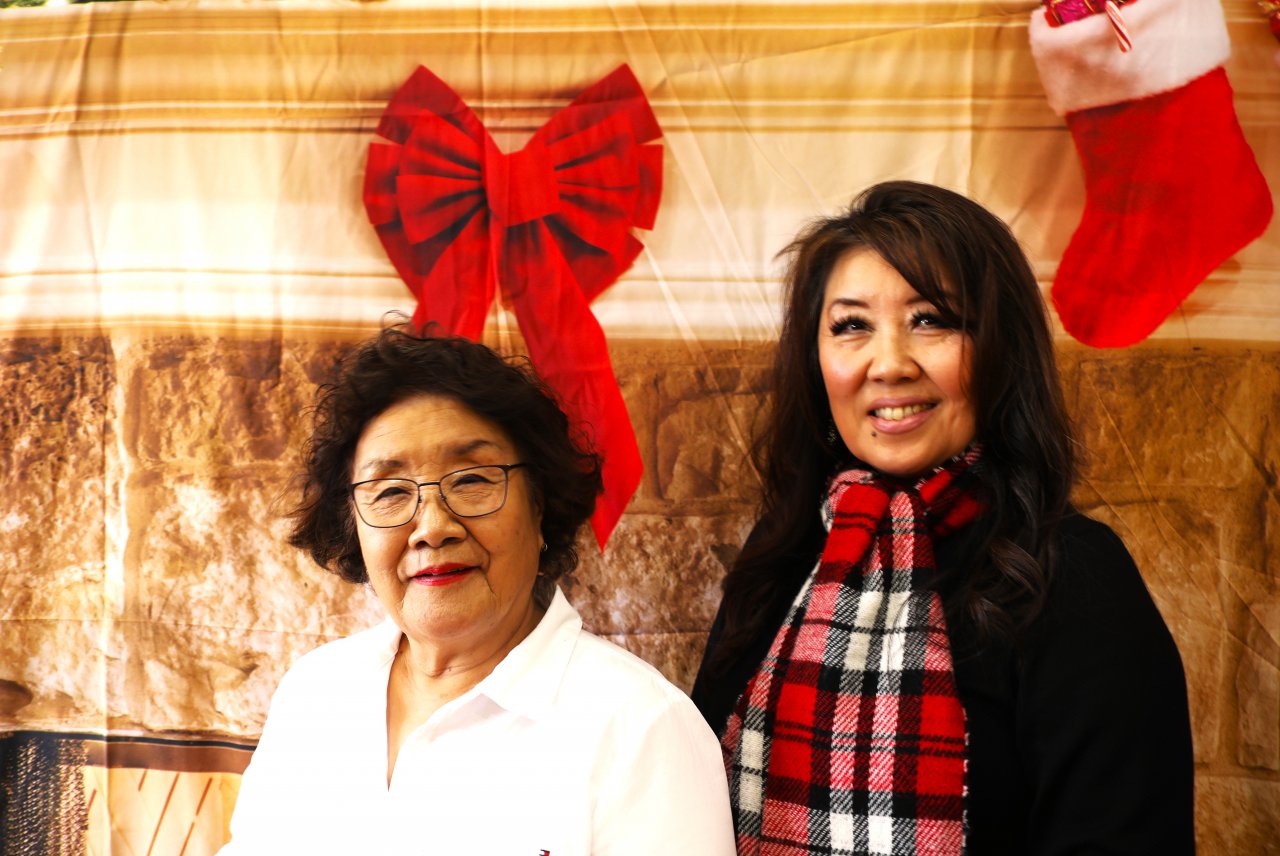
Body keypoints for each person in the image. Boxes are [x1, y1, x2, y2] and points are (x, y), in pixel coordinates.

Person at [691, 181, 1194, 855]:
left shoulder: (1074, 576)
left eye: (931, 320)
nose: (889, 364)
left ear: (1000, 348)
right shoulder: (785, 553)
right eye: (851, 326)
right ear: (815, 362)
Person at [221, 324, 735, 855]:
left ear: (540, 507)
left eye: (471, 480)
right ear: (352, 523)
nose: (432, 527)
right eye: (390, 491)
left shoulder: (641, 728)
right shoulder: (315, 693)